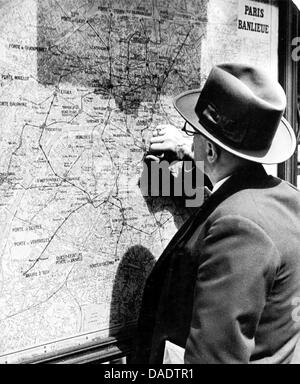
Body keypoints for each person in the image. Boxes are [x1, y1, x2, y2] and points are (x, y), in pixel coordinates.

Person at [134, 63, 300, 364]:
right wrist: (190, 151)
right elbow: (222, 203)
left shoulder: (239, 226)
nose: (189, 138)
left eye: (192, 132)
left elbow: (213, 359)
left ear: (210, 151)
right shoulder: (286, 199)